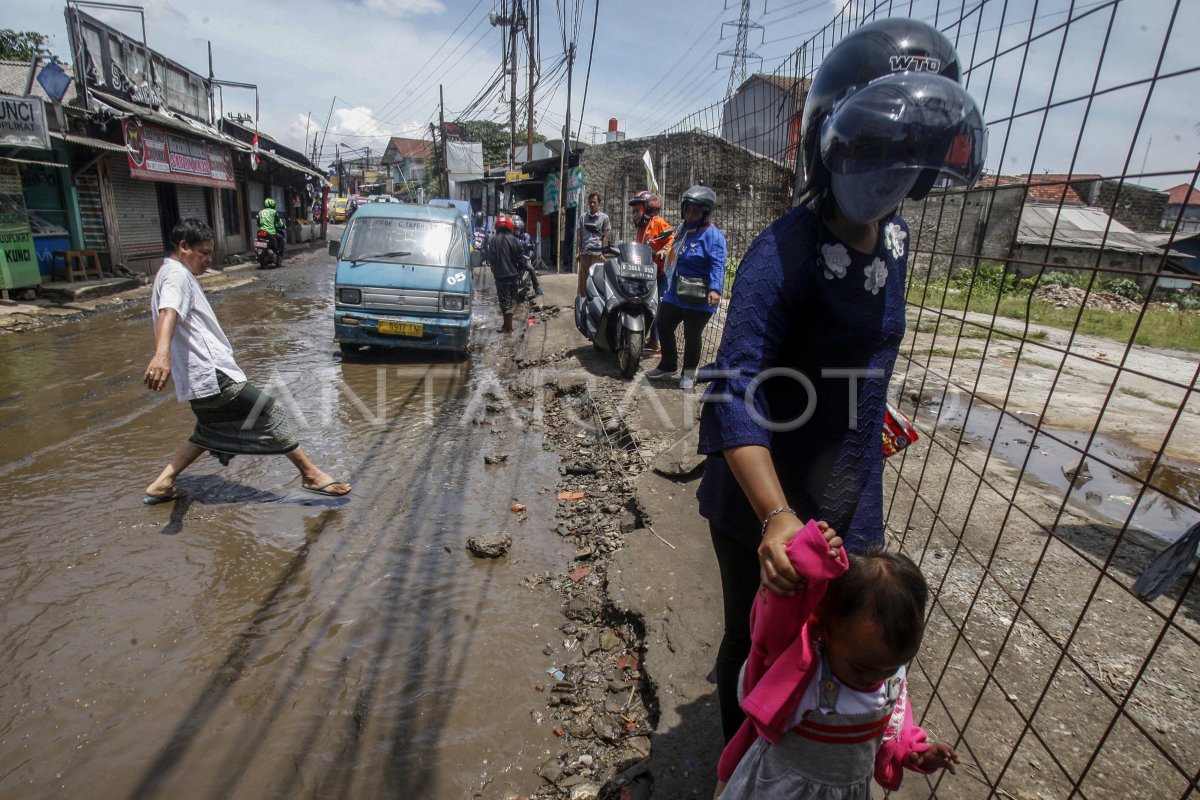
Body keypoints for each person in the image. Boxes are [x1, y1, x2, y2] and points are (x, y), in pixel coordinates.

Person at [695, 17, 986, 745]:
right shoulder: (783, 251)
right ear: (832, 143)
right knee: (754, 637)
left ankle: (826, 755)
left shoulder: (898, 238)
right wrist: (776, 518)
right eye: (882, 148)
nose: (896, 170)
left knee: (837, 640)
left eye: (913, 153)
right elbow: (735, 386)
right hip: (763, 493)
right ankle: (745, 771)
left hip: (849, 486)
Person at [714, 520, 960, 798]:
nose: (875, 677)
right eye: (862, 667)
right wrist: (801, 562)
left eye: (893, 666)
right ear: (821, 629)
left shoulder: (889, 678)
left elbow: (895, 725)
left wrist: (915, 752)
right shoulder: (805, 672)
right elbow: (771, 634)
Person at [142, 218, 351, 504]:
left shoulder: (168, 273)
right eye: (203, 253)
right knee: (269, 411)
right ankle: (311, 474)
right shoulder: (177, 276)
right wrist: (161, 354)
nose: (208, 260)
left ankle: (163, 482)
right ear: (183, 247)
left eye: (209, 253)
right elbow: (169, 312)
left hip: (196, 378)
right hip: (212, 372)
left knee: (209, 430)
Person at [645, 186, 726, 390]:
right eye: (688, 210)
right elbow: (673, 245)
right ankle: (669, 364)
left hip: (700, 294)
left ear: (705, 213)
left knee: (692, 335)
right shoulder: (683, 230)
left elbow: (718, 263)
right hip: (677, 290)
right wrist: (665, 252)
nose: (690, 215)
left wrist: (715, 289)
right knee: (662, 323)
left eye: (695, 211)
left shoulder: (713, 236)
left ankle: (688, 374)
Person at [629, 190, 675, 353]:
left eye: (637, 210)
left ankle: (660, 343)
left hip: (659, 275)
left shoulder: (658, 222)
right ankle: (650, 340)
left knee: (659, 309)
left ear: (648, 209)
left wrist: (664, 250)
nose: (634, 214)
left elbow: (672, 238)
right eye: (633, 211)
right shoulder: (641, 228)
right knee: (645, 306)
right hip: (645, 274)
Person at [488, 212, 526, 335]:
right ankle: (506, 326)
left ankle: (509, 332)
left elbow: (491, 259)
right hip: (514, 278)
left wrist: (494, 270)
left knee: (506, 305)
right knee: (509, 303)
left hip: (501, 278)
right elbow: (521, 262)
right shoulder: (516, 241)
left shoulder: (494, 241)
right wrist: (520, 276)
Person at [576, 191, 611, 296]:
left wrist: (603, 253)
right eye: (590, 202)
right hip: (585, 252)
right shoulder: (583, 217)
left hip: (597, 254)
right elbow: (579, 235)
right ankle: (582, 301)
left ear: (598, 203)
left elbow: (605, 236)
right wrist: (578, 252)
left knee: (596, 278)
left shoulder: (604, 218)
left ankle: (595, 300)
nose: (592, 204)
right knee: (583, 279)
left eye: (594, 202)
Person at [514, 216, 542, 304]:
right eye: (516, 229)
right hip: (514, 258)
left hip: (523, 257)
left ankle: (537, 288)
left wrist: (523, 244)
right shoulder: (511, 236)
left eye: (518, 229)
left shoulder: (526, 236)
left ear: (522, 229)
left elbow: (527, 244)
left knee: (531, 269)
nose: (517, 230)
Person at [256, 197, 285, 263]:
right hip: (270, 232)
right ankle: (278, 253)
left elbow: (257, 223)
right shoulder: (274, 212)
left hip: (261, 232)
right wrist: (282, 226)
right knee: (280, 238)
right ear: (273, 205)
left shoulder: (260, 212)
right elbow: (279, 222)